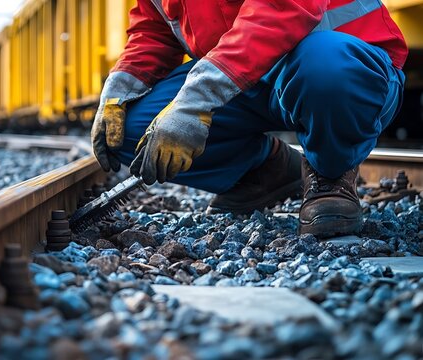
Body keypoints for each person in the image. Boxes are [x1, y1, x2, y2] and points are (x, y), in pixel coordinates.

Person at [91, 0, 407, 238]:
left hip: (341, 66)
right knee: (131, 128)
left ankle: (331, 175)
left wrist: (193, 102)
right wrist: (120, 87)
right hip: (246, 76)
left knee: (328, 69)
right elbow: (154, 29)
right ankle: (265, 169)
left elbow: (279, 9)